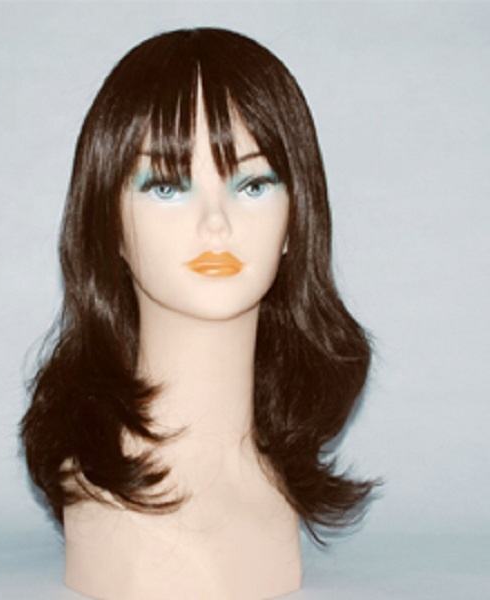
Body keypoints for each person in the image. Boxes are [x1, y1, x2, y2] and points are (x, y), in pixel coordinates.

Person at [20, 27, 384, 599]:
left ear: (297, 219)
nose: (216, 223)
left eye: (253, 184)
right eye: (167, 186)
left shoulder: (276, 479)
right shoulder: (106, 500)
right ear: (107, 222)